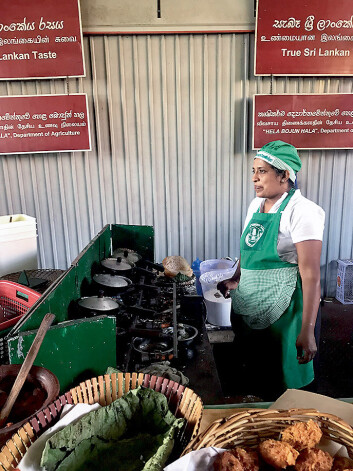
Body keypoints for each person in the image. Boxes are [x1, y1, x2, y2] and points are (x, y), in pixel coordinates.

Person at [218, 140, 325, 400]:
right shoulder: (255, 206)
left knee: (286, 386)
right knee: (256, 375)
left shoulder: (303, 212)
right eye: (253, 171)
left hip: (285, 309)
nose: (254, 179)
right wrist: (237, 277)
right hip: (252, 300)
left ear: (284, 175)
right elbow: (249, 246)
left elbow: (310, 275)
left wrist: (307, 330)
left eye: (262, 172)